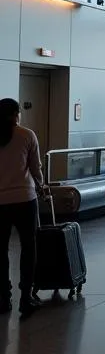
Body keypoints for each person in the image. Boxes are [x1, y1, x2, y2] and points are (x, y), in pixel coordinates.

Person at [0, 98, 45, 318]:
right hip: (25, 199)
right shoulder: (27, 135)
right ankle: (26, 296)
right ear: (17, 113)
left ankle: (2, 297)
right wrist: (42, 185)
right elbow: (35, 168)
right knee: (29, 247)